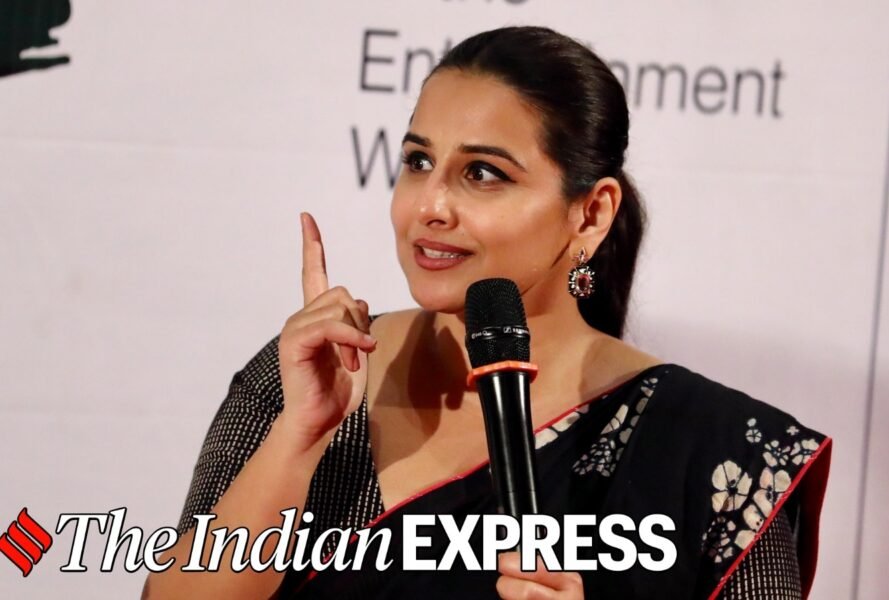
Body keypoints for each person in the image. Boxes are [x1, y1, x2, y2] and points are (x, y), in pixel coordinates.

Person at [144, 26, 830, 600]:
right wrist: (298, 437)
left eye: (483, 174)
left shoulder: (714, 451)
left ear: (591, 214)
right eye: (418, 161)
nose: (429, 206)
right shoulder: (310, 374)